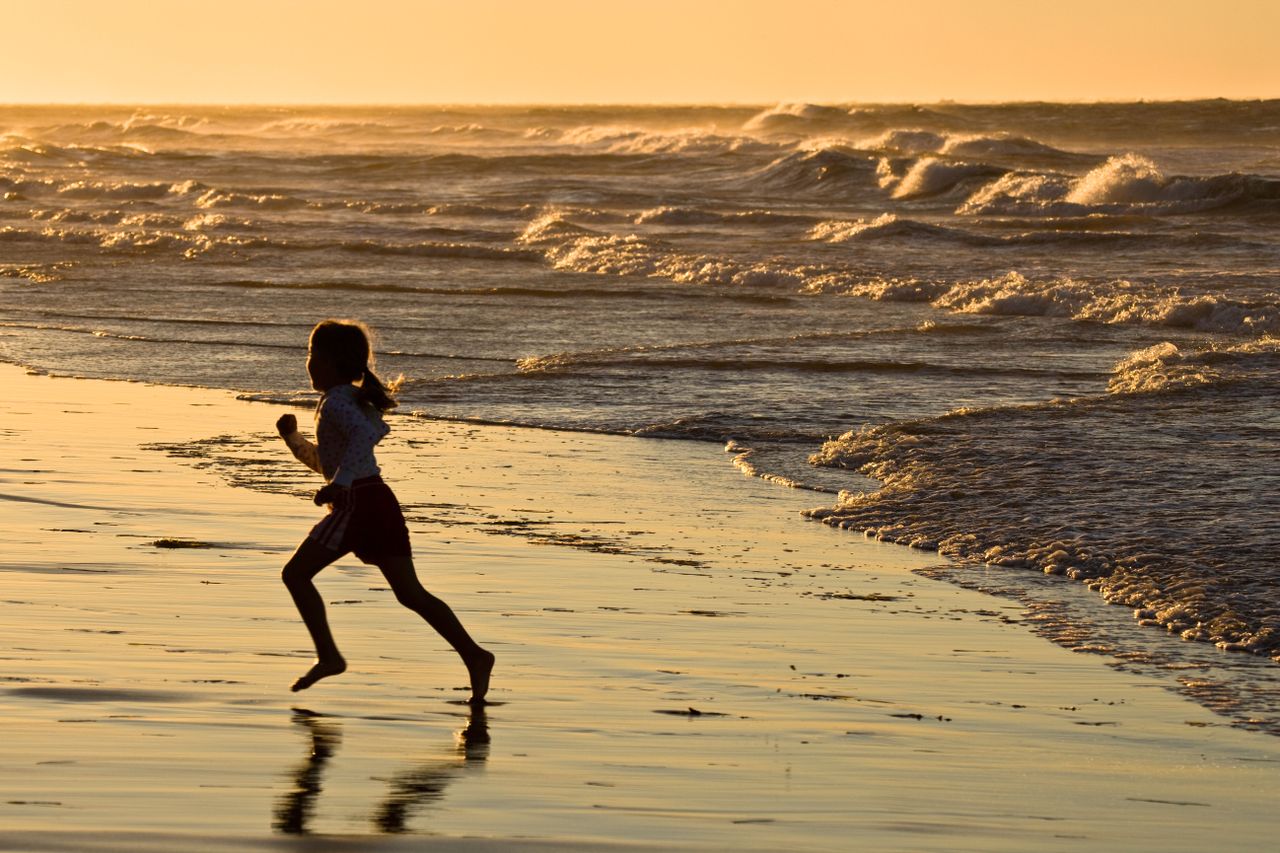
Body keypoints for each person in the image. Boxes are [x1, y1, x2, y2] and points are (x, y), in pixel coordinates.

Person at [275, 319, 493, 703]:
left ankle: (329, 657)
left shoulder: (338, 400)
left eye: (311, 355)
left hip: (358, 503)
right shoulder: (343, 399)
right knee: (411, 595)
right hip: (376, 501)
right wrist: (293, 441)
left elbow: (366, 437)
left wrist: (340, 486)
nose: (307, 362)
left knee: (295, 574)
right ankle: (475, 655)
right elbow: (334, 462)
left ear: (329, 361)